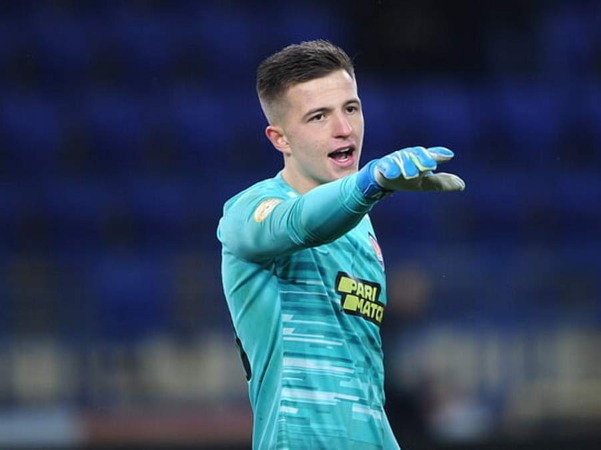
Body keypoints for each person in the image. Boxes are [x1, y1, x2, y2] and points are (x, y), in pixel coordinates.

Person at [217, 39, 465, 450]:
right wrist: (369, 184)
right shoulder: (248, 212)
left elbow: (364, 390)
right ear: (280, 139)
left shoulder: (360, 227)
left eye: (350, 108)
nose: (344, 129)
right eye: (318, 116)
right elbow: (299, 223)